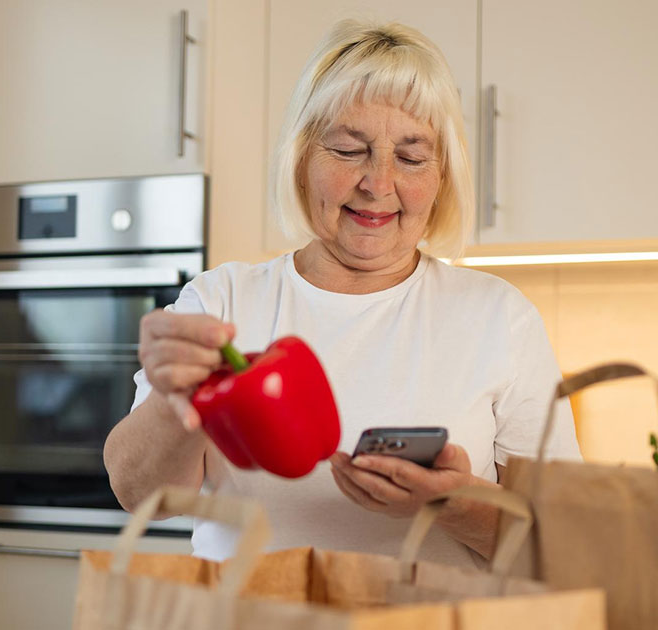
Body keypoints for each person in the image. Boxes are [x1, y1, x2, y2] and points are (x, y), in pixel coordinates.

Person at [104, 19, 581, 568]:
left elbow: (561, 544)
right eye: (348, 149)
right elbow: (137, 494)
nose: (378, 184)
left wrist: (453, 506)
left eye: (410, 157)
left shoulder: (501, 317)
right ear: (303, 159)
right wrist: (173, 398)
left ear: (443, 175)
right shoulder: (221, 302)